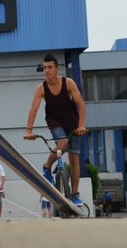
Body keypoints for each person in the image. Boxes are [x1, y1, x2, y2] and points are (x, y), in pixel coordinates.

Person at [24, 53, 87, 206]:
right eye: (45, 68)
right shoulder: (41, 88)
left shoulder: (69, 83)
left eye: (50, 67)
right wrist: (28, 130)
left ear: (57, 69)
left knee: (74, 159)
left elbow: (81, 104)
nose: (47, 70)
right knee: (62, 142)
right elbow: (34, 109)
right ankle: (47, 167)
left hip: (72, 122)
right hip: (55, 122)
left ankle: (74, 194)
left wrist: (81, 125)